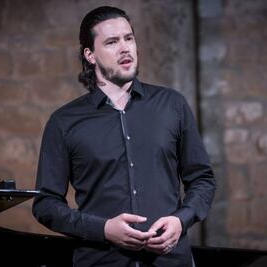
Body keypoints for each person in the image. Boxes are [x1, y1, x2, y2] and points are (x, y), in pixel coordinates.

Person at [32, 6, 216, 267]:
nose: (125, 48)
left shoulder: (172, 105)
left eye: (129, 38)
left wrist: (180, 219)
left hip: (170, 261)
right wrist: (104, 229)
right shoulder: (64, 122)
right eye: (111, 42)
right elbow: (46, 204)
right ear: (90, 55)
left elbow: (203, 179)